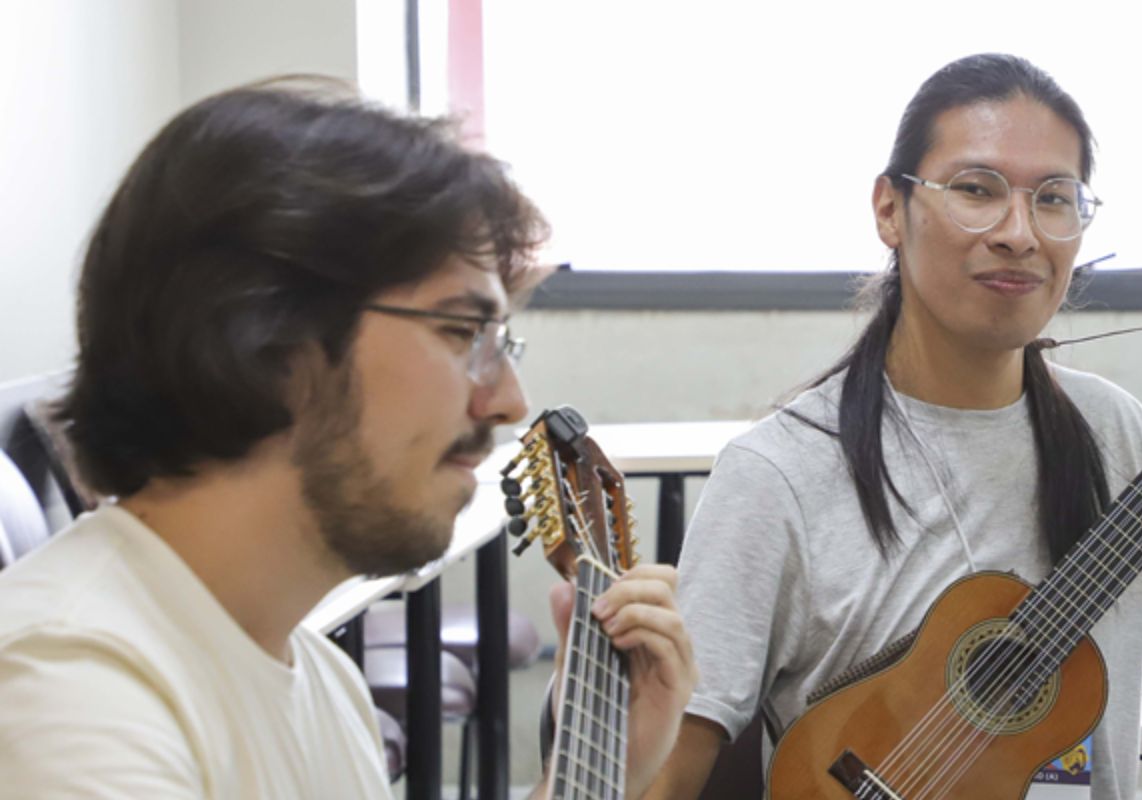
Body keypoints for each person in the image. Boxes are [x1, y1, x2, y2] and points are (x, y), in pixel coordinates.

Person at [645, 53, 1142, 799]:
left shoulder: (1115, 438)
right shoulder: (778, 472)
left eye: (1054, 199)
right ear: (890, 208)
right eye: (976, 190)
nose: (1019, 233)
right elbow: (669, 775)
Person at [0, 78, 695, 800]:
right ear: (267, 339)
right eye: (463, 332)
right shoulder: (71, 696)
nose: (508, 402)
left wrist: (603, 768)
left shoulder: (317, 677)